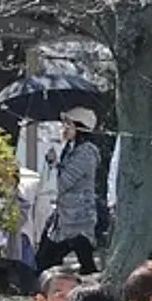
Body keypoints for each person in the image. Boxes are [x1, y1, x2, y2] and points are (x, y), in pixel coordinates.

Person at [37, 108, 101, 273]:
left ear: (80, 128)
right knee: (48, 260)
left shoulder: (86, 152)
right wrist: (54, 162)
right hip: (67, 217)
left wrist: (55, 164)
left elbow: (64, 181)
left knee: (50, 260)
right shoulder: (73, 149)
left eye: (69, 124)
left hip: (77, 219)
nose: (64, 128)